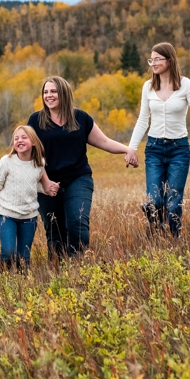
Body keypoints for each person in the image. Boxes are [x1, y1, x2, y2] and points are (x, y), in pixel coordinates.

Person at [29, 75, 136, 262]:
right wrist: (44, 182)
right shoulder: (36, 121)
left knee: (77, 222)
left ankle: (79, 267)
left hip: (78, 178)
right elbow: (30, 155)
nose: (49, 95)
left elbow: (103, 141)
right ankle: (59, 273)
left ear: (64, 93)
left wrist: (127, 149)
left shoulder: (80, 118)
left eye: (53, 91)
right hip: (47, 182)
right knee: (55, 232)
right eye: (46, 92)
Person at [128, 42, 190, 237]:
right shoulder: (148, 87)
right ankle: (156, 233)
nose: (153, 63)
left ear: (170, 60)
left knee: (173, 204)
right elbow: (142, 120)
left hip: (178, 150)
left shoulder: (186, 85)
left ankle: (174, 241)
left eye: (158, 59)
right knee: (155, 201)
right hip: (154, 149)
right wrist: (131, 148)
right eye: (152, 59)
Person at [0, 125, 58, 271]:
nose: (19, 140)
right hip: (7, 215)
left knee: (23, 258)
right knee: (8, 253)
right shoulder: (6, 162)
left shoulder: (39, 163)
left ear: (33, 141)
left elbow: (32, 185)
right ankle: (4, 281)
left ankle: (22, 287)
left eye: (24, 137)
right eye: (16, 138)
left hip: (29, 217)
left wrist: (49, 190)